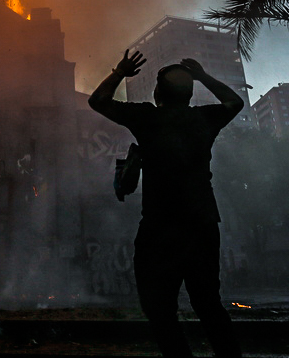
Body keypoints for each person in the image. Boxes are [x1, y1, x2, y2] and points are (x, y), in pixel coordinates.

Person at [88, 49, 244, 357]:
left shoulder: (148, 118)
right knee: (208, 303)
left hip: (160, 227)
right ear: (188, 95)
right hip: (202, 224)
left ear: (158, 92)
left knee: (158, 306)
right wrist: (203, 76)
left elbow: (98, 100)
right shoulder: (204, 119)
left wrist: (120, 72)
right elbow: (235, 103)